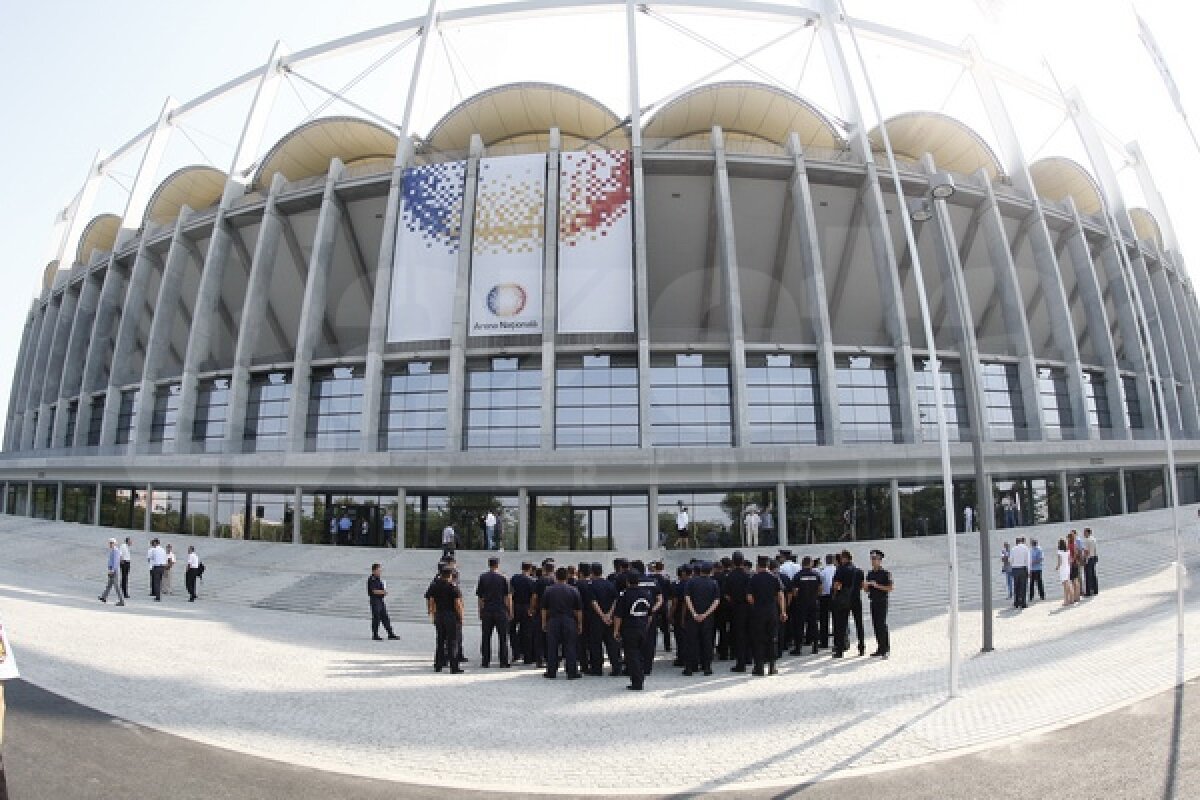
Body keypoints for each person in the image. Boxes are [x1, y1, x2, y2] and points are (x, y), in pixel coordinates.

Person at [746, 556, 786, 675]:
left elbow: (749, 598)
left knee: (758, 639)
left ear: (758, 565)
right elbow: (780, 595)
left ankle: (759, 668)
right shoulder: (775, 578)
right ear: (768, 565)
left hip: (758, 612)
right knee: (772, 638)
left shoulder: (753, 579)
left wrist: (757, 604)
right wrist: (783, 611)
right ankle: (772, 667)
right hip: (772, 611)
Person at [613, 572, 653, 691]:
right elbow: (650, 613)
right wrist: (646, 625)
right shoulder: (646, 594)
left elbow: (618, 615)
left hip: (630, 628)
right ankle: (641, 674)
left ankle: (637, 681)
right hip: (643, 627)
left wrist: (616, 630)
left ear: (627, 582)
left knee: (632, 655)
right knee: (640, 654)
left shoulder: (624, 595)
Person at [541, 567, 582, 680]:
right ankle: (572, 672)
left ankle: (551, 671)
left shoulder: (548, 590)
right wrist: (579, 624)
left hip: (553, 620)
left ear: (556, 576)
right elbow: (578, 610)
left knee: (552, 647)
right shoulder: (574, 590)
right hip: (569, 620)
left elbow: (544, 609)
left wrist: (544, 622)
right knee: (570, 646)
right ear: (567, 576)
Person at [684, 561, 720, 676]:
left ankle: (689, 667)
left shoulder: (691, 582)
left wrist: (694, 613)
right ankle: (707, 667)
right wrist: (705, 614)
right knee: (707, 642)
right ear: (710, 571)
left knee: (691, 642)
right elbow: (716, 601)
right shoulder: (714, 583)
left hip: (692, 617)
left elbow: (687, 598)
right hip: (707, 618)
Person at [585, 562, 622, 676]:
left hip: (596, 619)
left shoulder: (590, 585)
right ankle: (616, 667)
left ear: (591, 572)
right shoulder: (610, 584)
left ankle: (597, 669)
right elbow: (616, 600)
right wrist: (609, 615)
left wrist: (602, 616)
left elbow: (593, 602)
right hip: (610, 619)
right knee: (612, 644)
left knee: (596, 644)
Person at [425, 566, 464, 672]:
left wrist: (432, 613)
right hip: (451, 616)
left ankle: (438, 665)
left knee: (440, 641)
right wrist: (461, 617)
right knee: (452, 642)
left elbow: (431, 600)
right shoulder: (453, 587)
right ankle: (454, 667)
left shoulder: (434, 586)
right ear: (450, 575)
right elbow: (457, 604)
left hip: (439, 615)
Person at [476, 556, 512, 668]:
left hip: (487, 610)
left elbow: (480, 597)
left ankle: (485, 661)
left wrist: (480, 610)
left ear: (489, 564)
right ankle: (503, 661)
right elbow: (508, 597)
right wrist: (510, 611)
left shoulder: (483, 577)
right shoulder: (504, 578)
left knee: (486, 636)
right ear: (497, 565)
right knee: (503, 637)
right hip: (500, 610)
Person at [864, 549, 893, 658]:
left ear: (880, 560)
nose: (873, 561)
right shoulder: (870, 573)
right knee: (875, 625)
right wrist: (866, 586)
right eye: (872, 559)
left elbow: (890, 588)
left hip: (882, 601)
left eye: (875, 559)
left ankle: (886, 648)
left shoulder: (885, 573)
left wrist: (877, 585)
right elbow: (867, 590)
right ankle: (880, 647)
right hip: (873, 601)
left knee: (882, 625)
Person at [791, 556, 821, 655]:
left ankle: (798, 648)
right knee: (813, 625)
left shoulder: (798, 576)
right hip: (813, 603)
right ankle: (815, 647)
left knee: (799, 626)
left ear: (802, 564)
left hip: (801, 604)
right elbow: (820, 589)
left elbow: (795, 592)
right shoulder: (816, 575)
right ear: (811, 563)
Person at [830, 551, 857, 658]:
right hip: (854, 598)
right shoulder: (855, 569)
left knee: (840, 625)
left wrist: (835, 595)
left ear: (844, 558)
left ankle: (840, 649)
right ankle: (861, 648)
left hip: (842, 599)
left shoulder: (841, 569)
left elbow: (836, 585)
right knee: (855, 623)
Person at [510, 562, 536, 665]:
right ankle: (527, 657)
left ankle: (516, 653)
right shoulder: (531, 581)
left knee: (512, 630)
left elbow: (510, 593)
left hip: (515, 606)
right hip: (526, 607)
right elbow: (533, 596)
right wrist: (531, 608)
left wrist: (510, 608)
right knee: (527, 633)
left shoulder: (514, 578)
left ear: (521, 568)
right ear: (530, 569)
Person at [367, 563, 399, 641]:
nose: (380, 572)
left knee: (385, 617)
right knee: (376, 618)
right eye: (378, 570)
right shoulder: (372, 579)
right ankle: (375, 635)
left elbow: (381, 589)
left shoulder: (378, 579)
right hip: (375, 600)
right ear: (374, 571)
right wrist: (383, 592)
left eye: (380, 570)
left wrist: (383, 592)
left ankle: (390, 634)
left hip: (380, 600)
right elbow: (374, 591)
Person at [98, 538, 126, 606]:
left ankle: (122, 601)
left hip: (114, 570)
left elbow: (116, 562)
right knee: (109, 585)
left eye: (112, 543)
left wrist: (112, 570)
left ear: (115, 543)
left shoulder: (116, 551)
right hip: (112, 569)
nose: (110, 544)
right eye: (110, 543)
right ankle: (104, 597)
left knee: (117, 587)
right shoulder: (113, 550)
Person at [818, 554, 836, 650]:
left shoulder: (823, 572)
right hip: (835, 596)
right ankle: (836, 641)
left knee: (824, 620)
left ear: (826, 561)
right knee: (836, 619)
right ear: (833, 560)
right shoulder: (837, 570)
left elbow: (820, 585)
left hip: (824, 597)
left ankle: (824, 642)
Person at [1009, 537, 1030, 610]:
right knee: (1023, 586)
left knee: (1016, 586)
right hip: (1023, 568)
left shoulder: (1013, 549)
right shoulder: (1025, 548)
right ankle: (1023, 602)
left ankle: (1016, 602)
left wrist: (1012, 566)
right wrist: (1029, 570)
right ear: (1022, 541)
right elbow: (1028, 560)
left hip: (1015, 569)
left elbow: (1010, 560)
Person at [1056, 538, 1074, 606]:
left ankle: (1066, 601)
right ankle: (1071, 599)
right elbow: (1070, 560)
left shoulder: (1059, 552)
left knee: (1065, 585)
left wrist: (1057, 567)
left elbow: (1060, 562)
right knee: (1068, 583)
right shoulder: (1068, 551)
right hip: (1067, 568)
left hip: (1063, 569)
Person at [1083, 528, 1099, 596]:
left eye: (1084, 532)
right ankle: (1095, 590)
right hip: (1094, 557)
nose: (1084, 534)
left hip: (1089, 558)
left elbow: (1087, 551)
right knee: (1093, 574)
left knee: (1088, 575)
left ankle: (1088, 591)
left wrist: (1085, 559)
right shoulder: (1094, 539)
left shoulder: (1088, 540)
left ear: (1087, 532)